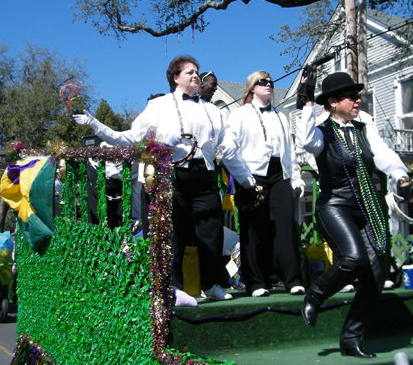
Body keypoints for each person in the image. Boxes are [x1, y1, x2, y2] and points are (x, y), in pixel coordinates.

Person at [74, 55, 240, 302]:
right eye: (189, 72)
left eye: (197, 72)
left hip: (205, 174)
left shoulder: (213, 110)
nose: (196, 75)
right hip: (173, 174)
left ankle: (212, 283)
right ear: (175, 78)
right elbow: (130, 137)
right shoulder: (159, 106)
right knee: (175, 233)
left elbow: (227, 138)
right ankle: (175, 288)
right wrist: (96, 125)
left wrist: (229, 149)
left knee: (211, 230)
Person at [298, 72, 413, 358]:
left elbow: (383, 153)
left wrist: (401, 176)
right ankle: (315, 294)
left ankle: (351, 339)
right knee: (354, 259)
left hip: (367, 207)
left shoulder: (364, 126)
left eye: (358, 95)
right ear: (334, 102)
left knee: (378, 273)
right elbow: (305, 141)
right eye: (351, 96)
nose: (358, 100)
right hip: (334, 205)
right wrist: (307, 103)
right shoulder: (321, 130)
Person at [221, 71, 305, 297]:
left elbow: (291, 151)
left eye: (270, 82)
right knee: (253, 228)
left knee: (285, 225)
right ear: (251, 88)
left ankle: (292, 279)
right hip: (252, 174)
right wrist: (243, 178)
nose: (269, 85)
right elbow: (228, 148)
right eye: (263, 82)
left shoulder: (281, 116)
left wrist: (295, 178)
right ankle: (255, 282)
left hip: (280, 173)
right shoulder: (239, 115)